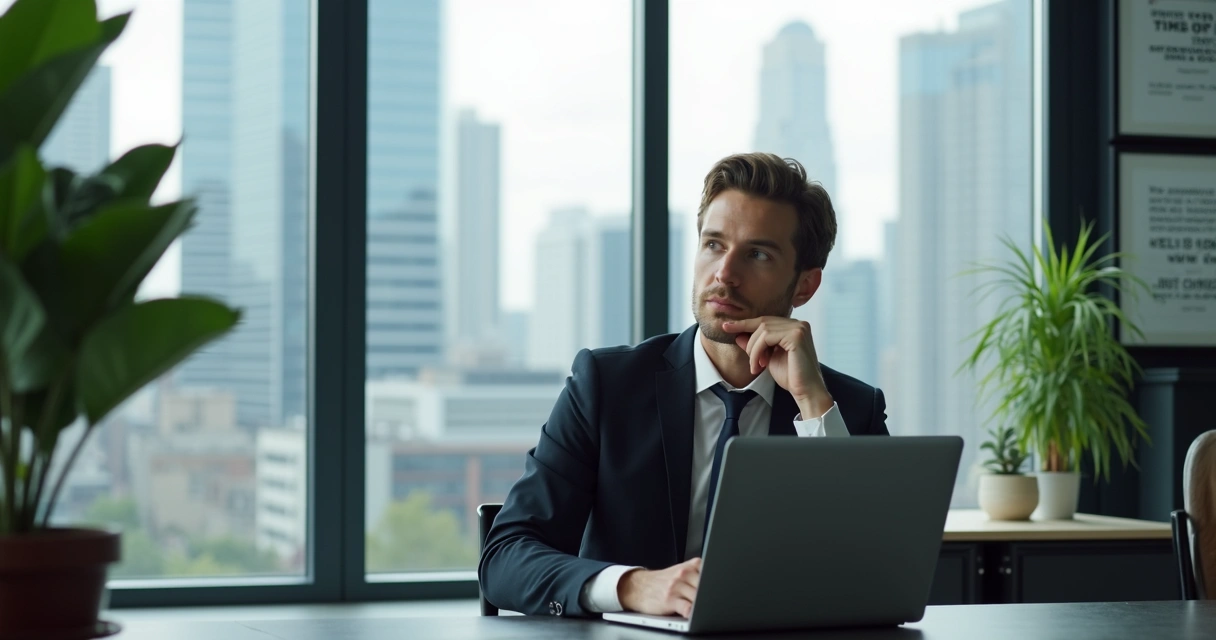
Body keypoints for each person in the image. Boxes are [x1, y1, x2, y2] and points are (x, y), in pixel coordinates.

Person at [478, 152, 889, 619]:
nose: (724, 274)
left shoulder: (849, 409)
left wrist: (813, 406)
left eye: (757, 254)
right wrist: (634, 587)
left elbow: (877, 571)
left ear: (805, 286)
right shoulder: (606, 387)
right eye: (714, 245)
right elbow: (506, 557)